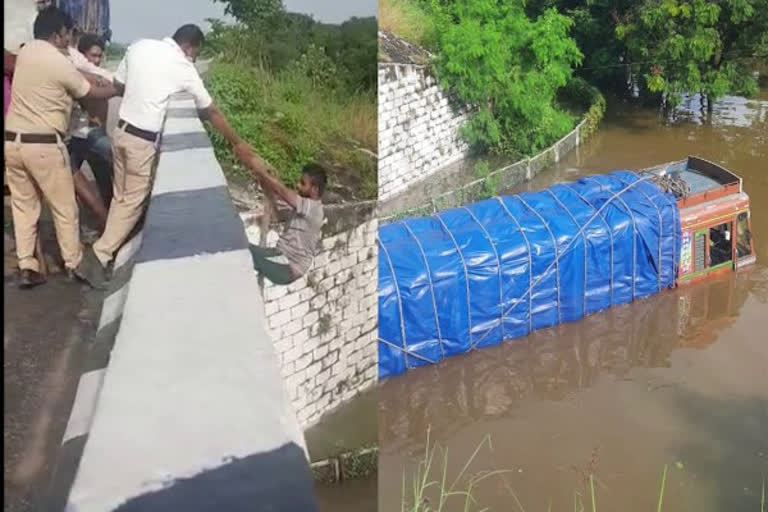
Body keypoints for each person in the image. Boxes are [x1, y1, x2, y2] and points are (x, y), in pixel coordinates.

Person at [78, 24, 248, 288]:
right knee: (133, 201)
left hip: (120, 133)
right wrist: (237, 143)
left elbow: (120, 85)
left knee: (122, 198)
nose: (192, 58)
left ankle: (105, 250)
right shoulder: (183, 67)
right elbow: (210, 111)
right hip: (140, 142)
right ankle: (99, 256)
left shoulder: (139, 46)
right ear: (189, 47)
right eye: (194, 54)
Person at [4, 6, 117, 289]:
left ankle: (28, 266)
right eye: (67, 34)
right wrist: (118, 89)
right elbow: (89, 93)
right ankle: (74, 264)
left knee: (24, 207)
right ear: (57, 35)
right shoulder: (58, 60)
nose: (69, 40)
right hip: (43, 145)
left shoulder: (26, 51)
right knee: (65, 207)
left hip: (13, 143)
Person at [234, 145, 326, 285]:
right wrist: (264, 180)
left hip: (288, 268)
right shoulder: (301, 209)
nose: (298, 185)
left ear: (314, 189)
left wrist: (262, 172)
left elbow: (283, 192)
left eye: (303, 183)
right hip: (278, 257)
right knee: (240, 248)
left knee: (241, 251)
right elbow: (276, 214)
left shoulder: (314, 209)